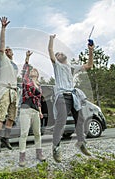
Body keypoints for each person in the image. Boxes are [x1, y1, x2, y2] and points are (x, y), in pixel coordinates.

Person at [48, 34, 94, 162]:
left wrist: (91, 51)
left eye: (61, 53)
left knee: (80, 119)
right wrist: (51, 39)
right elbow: (51, 51)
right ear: (57, 59)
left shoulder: (72, 68)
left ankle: (81, 143)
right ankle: (56, 147)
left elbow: (89, 66)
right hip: (62, 96)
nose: (60, 54)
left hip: (73, 95)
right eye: (58, 54)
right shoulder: (57, 66)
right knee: (61, 121)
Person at [0, 16, 19, 153]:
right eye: (6, 49)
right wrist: (3, 29)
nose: (7, 50)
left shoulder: (14, 65)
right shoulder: (2, 59)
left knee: (11, 117)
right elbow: (2, 44)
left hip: (14, 92)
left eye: (10, 49)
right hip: (4, 90)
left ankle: (6, 139)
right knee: (1, 116)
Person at [18, 50, 46, 167]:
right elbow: (25, 69)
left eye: (35, 70)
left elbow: (38, 101)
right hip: (25, 110)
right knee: (24, 133)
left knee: (37, 133)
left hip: (35, 111)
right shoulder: (26, 81)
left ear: (38, 74)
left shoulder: (39, 86)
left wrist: (40, 112)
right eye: (32, 70)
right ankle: (22, 157)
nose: (33, 70)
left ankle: (39, 154)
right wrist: (27, 57)